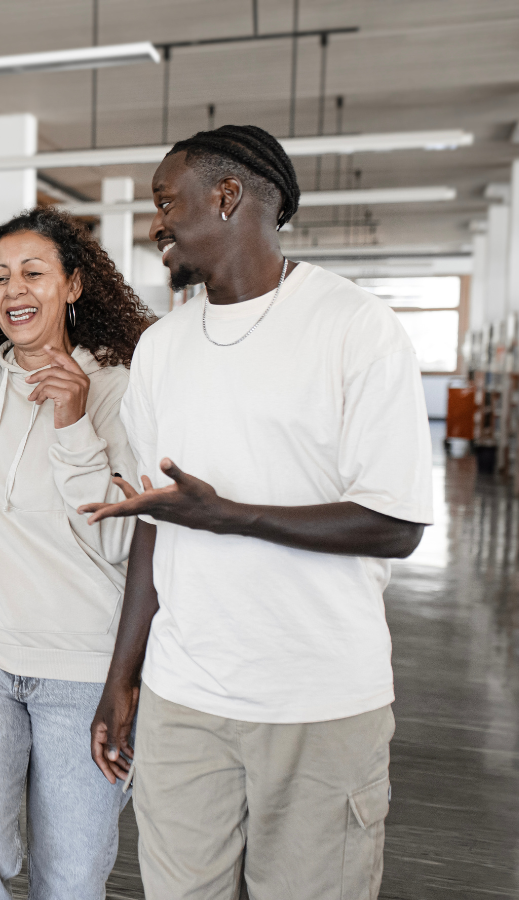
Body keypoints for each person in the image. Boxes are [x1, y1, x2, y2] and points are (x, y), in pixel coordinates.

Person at [82, 125, 432, 900]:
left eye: (165, 202)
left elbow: (396, 525)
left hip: (319, 701)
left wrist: (232, 515)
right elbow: (155, 516)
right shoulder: (163, 348)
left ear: (228, 196)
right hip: (185, 695)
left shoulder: (355, 328)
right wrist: (123, 677)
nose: (155, 225)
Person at [0, 206, 154, 899]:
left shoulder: (117, 389)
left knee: (74, 879)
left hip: (81, 666)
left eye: (33, 272)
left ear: (74, 286)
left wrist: (73, 422)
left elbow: (119, 537)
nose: (13, 290)